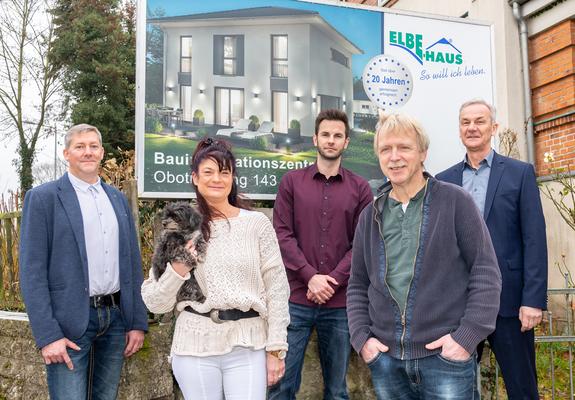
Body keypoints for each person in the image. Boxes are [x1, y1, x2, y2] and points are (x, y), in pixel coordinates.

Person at [347, 112, 502, 399]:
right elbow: (357, 283)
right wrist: (362, 340)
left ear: (423, 153)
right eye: (385, 149)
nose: (394, 157)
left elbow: (485, 273)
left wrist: (465, 339)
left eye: (404, 147)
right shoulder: (370, 216)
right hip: (386, 361)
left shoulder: (456, 202)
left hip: (445, 359)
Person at [141, 137, 290, 400]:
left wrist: (276, 348)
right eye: (208, 172)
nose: (217, 179)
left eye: (224, 172)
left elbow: (277, 289)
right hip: (195, 345)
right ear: (195, 177)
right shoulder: (180, 226)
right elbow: (155, 302)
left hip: (248, 344)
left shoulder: (256, 224)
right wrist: (178, 269)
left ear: (232, 178)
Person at [19, 123, 148, 399]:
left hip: (115, 322)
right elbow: (32, 273)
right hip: (69, 324)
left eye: (93, 146)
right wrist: (48, 336)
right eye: (79, 146)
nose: (87, 152)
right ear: (66, 153)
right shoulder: (43, 199)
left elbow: (132, 263)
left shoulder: (117, 199)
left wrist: (137, 322)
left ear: (101, 152)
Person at [436, 99, 548, 399]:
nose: (472, 127)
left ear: (493, 127)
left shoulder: (519, 173)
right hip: (458, 306)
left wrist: (533, 300)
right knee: (454, 389)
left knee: (522, 388)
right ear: (459, 130)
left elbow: (534, 239)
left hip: (509, 304)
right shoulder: (443, 181)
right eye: (465, 122)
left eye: (479, 121)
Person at [269, 109, 373, 400]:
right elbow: (282, 234)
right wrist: (310, 277)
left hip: (339, 305)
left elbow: (362, 243)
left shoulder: (361, 188)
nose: (331, 140)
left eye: (337, 135)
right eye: (325, 134)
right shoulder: (291, 182)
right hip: (295, 300)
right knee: (281, 385)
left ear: (346, 142)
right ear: (315, 138)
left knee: (337, 390)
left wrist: (332, 282)